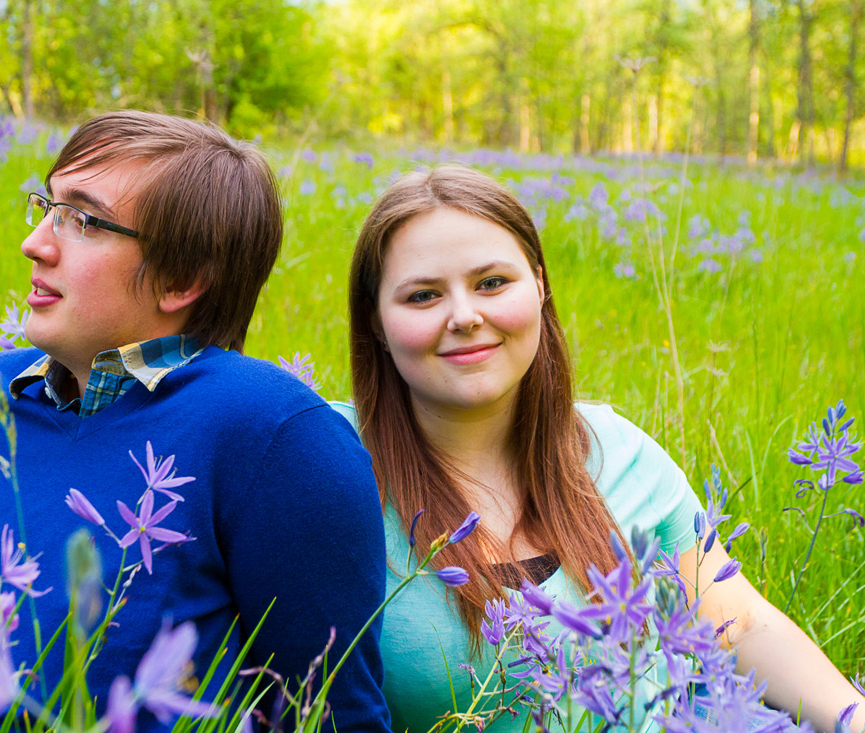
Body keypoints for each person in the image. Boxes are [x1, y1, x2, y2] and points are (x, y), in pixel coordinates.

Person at [0, 111, 391, 732]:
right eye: (46, 205)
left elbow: (331, 716)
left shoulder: (276, 433)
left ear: (182, 279)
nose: (36, 242)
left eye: (83, 220)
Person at [341, 164, 865, 733]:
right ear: (376, 320)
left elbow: (739, 625)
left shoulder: (617, 452)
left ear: (539, 285)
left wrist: (851, 718)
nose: (465, 316)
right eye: (423, 295)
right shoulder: (327, 467)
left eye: (492, 282)